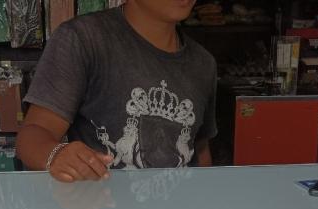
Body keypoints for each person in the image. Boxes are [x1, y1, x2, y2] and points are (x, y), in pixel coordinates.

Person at [17, 0, 217, 183]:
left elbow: (199, 149)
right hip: (104, 206)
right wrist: (56, 155)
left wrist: (204, 201)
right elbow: (34, 133)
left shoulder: (203, 64)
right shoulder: (84, 39)